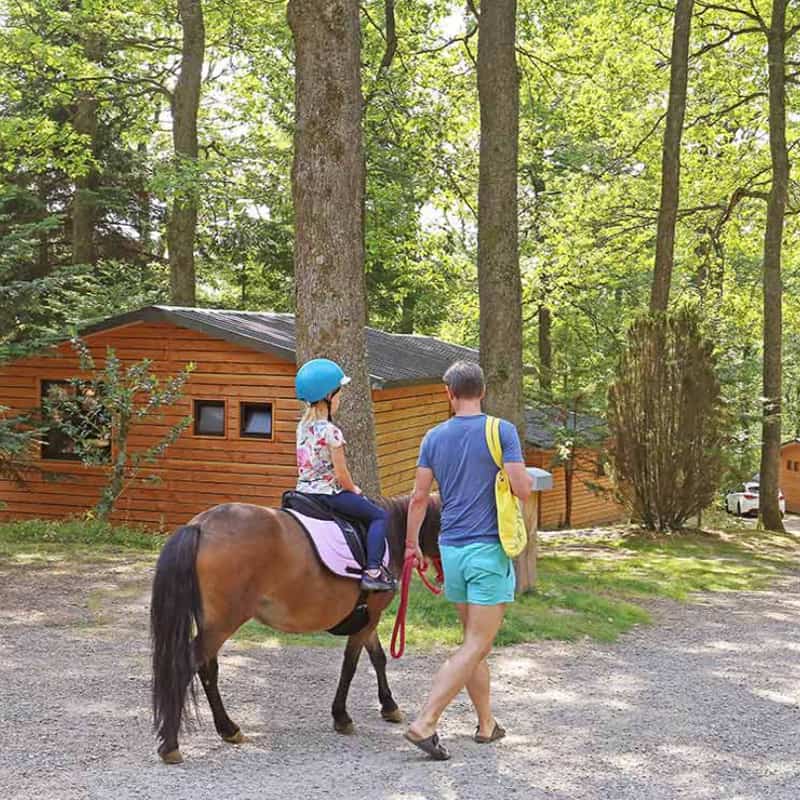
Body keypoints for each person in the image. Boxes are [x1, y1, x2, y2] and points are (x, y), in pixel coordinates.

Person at [403, 360, 533, 760]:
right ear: (483, 391)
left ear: (449, 392)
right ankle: (425, 721)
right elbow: (522, 488)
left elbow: (419, 498)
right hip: (487, 551)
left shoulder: (433, 437)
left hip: (451, 552)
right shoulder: (501, 431)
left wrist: (412, 545)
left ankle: (486, 724)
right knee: (477, 643)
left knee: (473, 644)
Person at [294, 358, 395, 592]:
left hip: (303, 493)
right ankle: (373, 571)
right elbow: (341, 473)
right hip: (327, 495)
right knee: (378, 516)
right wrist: (354, 489)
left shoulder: (302, 427)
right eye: (338, 394)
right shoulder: (332, 432)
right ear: (328, 396)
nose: (340, 400)